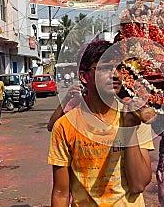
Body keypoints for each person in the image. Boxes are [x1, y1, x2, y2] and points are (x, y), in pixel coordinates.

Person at [48, 40, 154, 206]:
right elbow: (61, 193)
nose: (116, 75)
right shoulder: (65, 126)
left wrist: (129, 130)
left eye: (118, 67)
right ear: (84, 77)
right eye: (105, 68)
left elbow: (138, 184)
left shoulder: (132, 116)